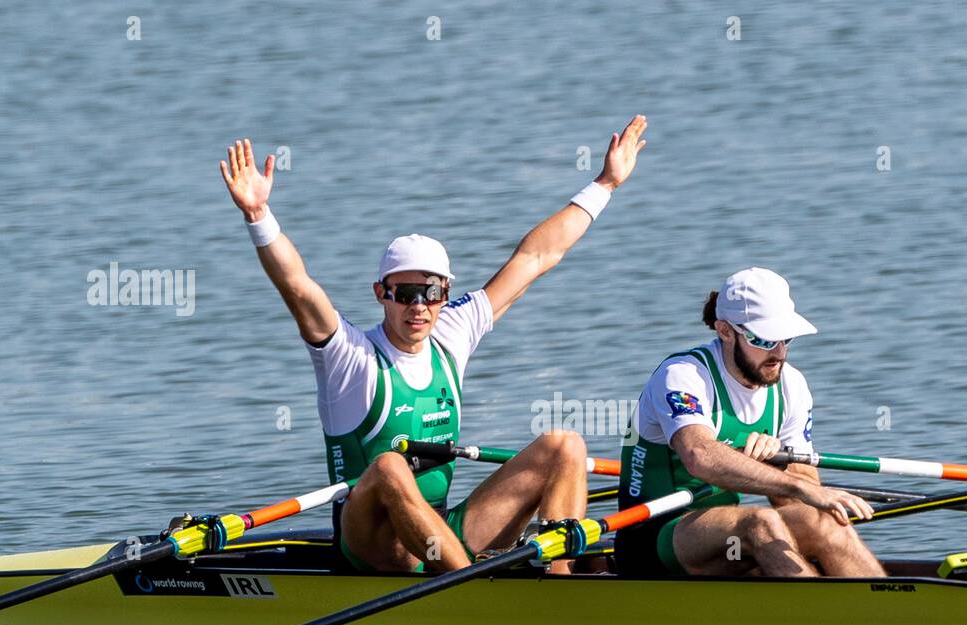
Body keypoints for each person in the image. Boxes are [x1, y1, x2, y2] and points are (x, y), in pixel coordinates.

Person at [218, 117, 648, 573]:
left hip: (441, 535)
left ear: (445, 294)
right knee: (387, 467)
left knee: (565, 446)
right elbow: (299, 287)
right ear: (381, 294)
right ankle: (468, 594)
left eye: (432, 293)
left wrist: (605, 183)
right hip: (371, 545)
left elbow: (536, 257)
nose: (418, 307)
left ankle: (561, 588)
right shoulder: (351, 359)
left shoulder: (452, 334)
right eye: (404, 294)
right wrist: (258, 216)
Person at [615, 267, 886, 578]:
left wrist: (779, 463)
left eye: (785, 338)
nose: (779, 352)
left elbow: (804, 493)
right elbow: (699, 455)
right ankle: (820, 621)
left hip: (726, 541)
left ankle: (892, 611)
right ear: (725, 331)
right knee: (762, 523)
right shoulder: (683, 375)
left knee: (824, 518)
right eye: (765, 340)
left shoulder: (791, 386)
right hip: (652, 540)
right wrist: (796, 485)